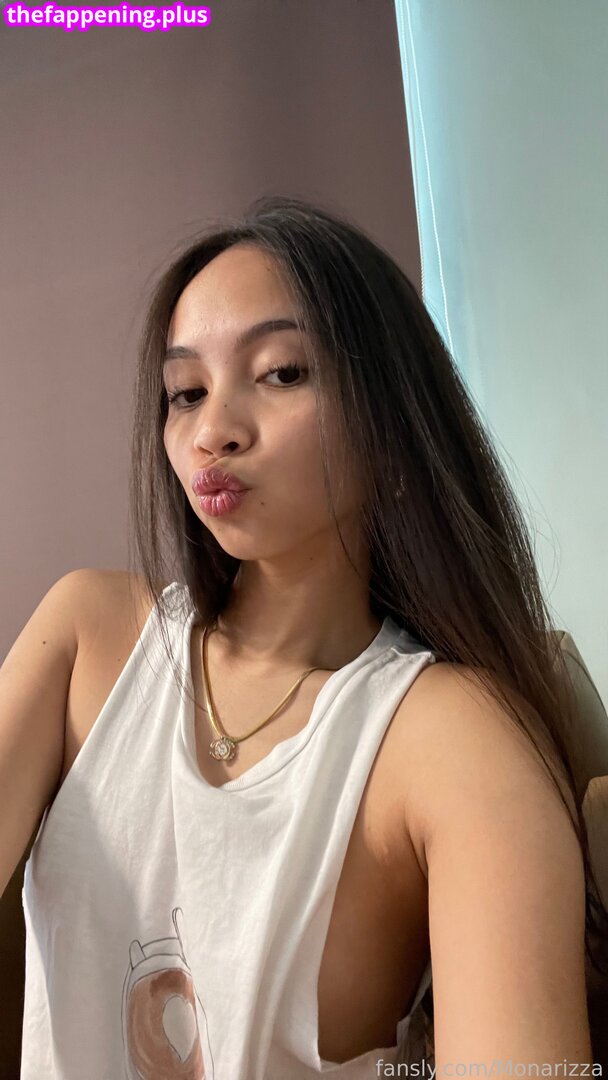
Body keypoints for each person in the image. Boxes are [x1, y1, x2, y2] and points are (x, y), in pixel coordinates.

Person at [1, 195, 606, 1079]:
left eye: (281, 373)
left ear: (392, 420)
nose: (213, 432)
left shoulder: (453, 742)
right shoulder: (88, 637)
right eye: (186, 392)